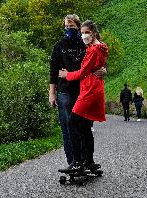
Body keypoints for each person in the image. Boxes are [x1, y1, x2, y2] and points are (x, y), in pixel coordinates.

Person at [49, 14, 106, 165]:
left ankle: (85, 160)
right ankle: (72, 161)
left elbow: (96, 62)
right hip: (64, 90)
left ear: (78, 27)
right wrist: (51, 93)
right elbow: (53, 70)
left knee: (84, 126)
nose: (69, 29)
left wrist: (103, 70)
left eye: (72, 27)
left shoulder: (85, 44)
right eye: (66, 27)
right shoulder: (58, 46)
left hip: (82, 90)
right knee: (68, 126)